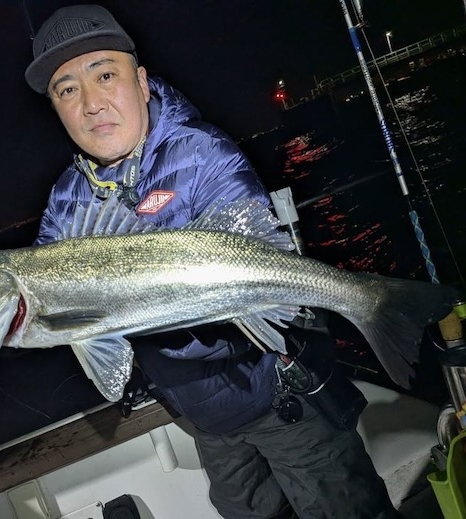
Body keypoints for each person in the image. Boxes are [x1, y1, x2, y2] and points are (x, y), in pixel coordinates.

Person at [24, 5, 398, 519]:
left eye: (104, 75)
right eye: (67, 90)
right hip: (203, 415)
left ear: (141, 82)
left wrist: (134, 314)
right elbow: (39, 296)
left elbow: (259, 270)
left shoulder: (203, 156)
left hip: (276, 391)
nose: (91, 104)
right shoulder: (67, 201)